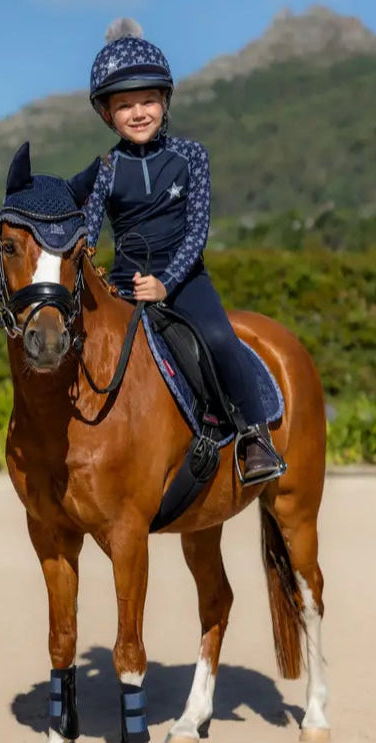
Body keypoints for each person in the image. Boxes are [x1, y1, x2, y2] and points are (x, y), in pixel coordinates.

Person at [83, 18, 284, 483]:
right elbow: (90, 234)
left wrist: (166, 284)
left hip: (185, 279)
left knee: (218, 339)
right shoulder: (106, 169)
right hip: (125, 284)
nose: (138, 112)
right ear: (106, 114)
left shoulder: (192, 156)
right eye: (125, 104)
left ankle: (255, 436)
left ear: (165, 101)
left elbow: (198, 232)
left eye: (148, 100)